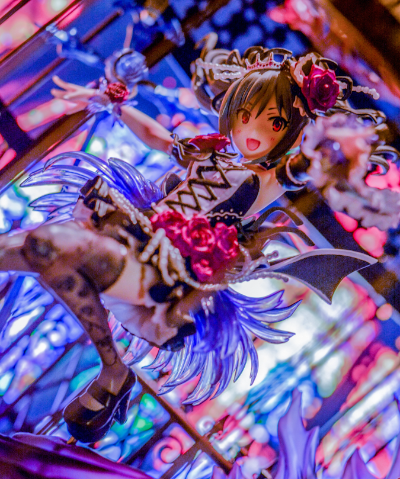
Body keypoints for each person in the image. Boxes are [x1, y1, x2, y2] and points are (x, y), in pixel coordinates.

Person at [1, 39, 390, 443]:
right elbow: (158, 137)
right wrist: (113, 102)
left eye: (273, 124)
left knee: (47, 245)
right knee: (27, 248)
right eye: (245, 115)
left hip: (165, 268)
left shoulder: (268, 180)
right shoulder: (210, 153)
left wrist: (331, 150)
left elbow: (301, 167)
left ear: (291, 134)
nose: (252, 131)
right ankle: (113, 371)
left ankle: (114, 369)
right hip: (133, 230)